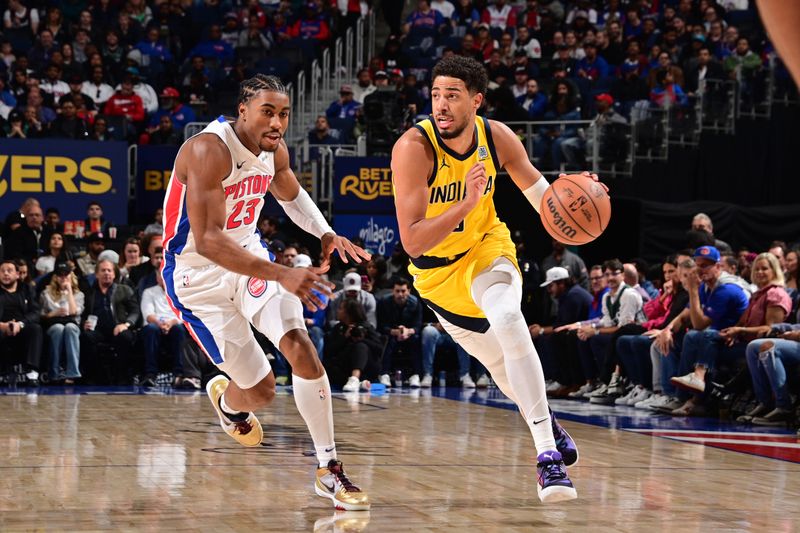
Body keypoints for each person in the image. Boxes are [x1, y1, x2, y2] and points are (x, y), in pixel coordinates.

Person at [161, 74, 371, 510]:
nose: (278, 122)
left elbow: (291, 194)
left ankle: (328, 469)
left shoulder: (274, 150)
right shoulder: (207, 150)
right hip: (196, 279)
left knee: (300, 346)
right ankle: (229, 403)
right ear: (243, 110)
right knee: (260, 392)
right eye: (268, 112)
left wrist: (325, 233)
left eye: (284, 114)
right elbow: (208, 240)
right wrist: (282, 273)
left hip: (250, 260)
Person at [391, 55, 594, 503]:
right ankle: (544, 417)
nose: (440, 105)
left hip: (487, 249)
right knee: (501, 367)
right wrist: (465, 203)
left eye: (453, 95)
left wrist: (577, 196)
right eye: (436, 94)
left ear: (476, 100)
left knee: (507, 319)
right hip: (437, 278)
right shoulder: (413, 148)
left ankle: (546, 457)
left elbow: (543, 197)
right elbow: (413, 242)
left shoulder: (496, 136)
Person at [40, 261, 84, 384]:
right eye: (60, 275)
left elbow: (74, 311)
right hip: (53, 324)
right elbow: (41, 314)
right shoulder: (46, 293)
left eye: (66, 274)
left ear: (71, 275)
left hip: (72, 324)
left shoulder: (79, 294)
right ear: (55, 276)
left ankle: (73, 373)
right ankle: (53, 373)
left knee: (70, 327)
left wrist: (69, 290)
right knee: (58, 328)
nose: (63, 277)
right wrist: (54, 313)